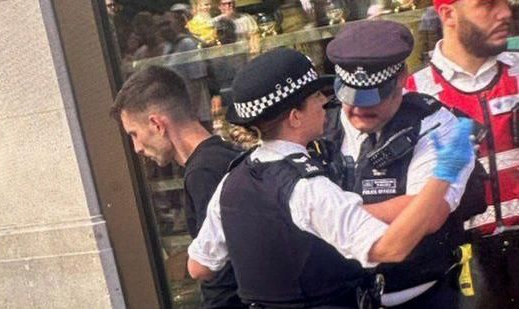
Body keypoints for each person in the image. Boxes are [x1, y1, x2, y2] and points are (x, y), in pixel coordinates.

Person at [186, 47, 474, 308]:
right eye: (315, 97)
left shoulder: (232, 180)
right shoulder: (306, 188)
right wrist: (443, 176)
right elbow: (392, 248)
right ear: (295, 116)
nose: (325, 101)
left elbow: (199, 267)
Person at [320, 20, 475, 308]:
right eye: (349, 97)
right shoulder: (319, 122)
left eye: (372, 98)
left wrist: (327, 217)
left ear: (401, 77)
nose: (358, 109)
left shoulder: (436, 125)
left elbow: (427, 213)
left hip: (420, 296)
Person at [406, 2, 519, 307]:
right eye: (487, 5)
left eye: (506, 3)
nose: (505, 12)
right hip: (463, 262)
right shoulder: (414, 94)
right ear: (448, 15)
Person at [110, 66, 245, 308]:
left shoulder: (203, 173)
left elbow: (220, 272)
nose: (137, 148)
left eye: (134, 134)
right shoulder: (221, 157)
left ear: (157, 124)